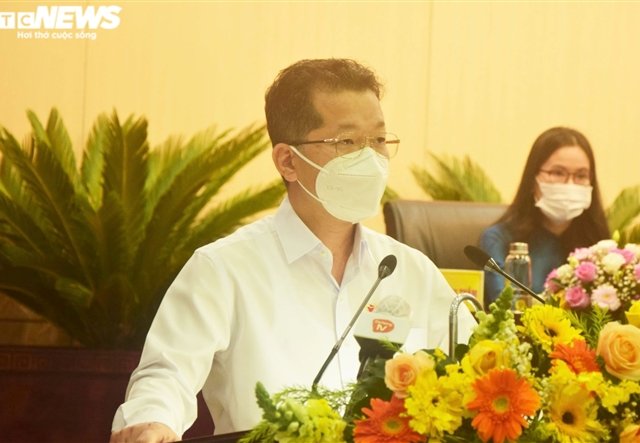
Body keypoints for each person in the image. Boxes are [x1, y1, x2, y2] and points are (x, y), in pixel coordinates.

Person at [110, 58, 476, 443]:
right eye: (347, 142)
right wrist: (153, 423)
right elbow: (167, 375)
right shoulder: (222, 269)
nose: (370, 158)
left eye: (379, 140)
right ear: (288, 161)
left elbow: (476, 376)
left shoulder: (411, 271)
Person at [480, 126, 610, 305]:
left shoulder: (599, 244)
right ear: (533, 179)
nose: (570, 184)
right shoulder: (498, 239)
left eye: (581, 175)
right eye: (558, 173)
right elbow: (505, 306)